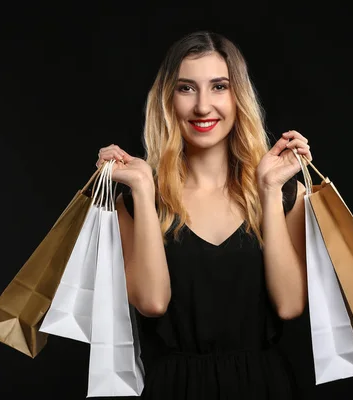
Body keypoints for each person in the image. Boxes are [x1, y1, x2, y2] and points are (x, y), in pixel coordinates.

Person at [95, 30, 312, 399]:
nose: (202, 106)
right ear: (167, 100)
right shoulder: (133, 200)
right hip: (173, 388)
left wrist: (270, 191)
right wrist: (145, 190)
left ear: (237, 96)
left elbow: (290, 305)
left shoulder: (286, 192)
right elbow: (152, 302)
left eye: (218, 86)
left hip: (265, 388)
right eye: (186, 88)